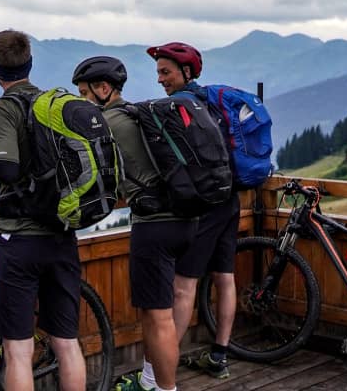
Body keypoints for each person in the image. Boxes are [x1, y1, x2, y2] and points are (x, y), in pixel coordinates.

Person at [0, 29, 86, 391]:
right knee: (66, 343)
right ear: (30, 64)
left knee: (18, 349)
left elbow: (9, 170)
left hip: (20, 239)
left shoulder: (4, 109)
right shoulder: (52, 104)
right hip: (61, 233)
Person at [73, 56, 196, 391]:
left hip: (154, 225)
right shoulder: (138, 112)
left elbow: (92, 180)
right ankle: (153, 383)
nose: (82, 102)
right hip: (186, 218)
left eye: (84, 93)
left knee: (158, 318)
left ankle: (166, 389)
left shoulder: (107, 124)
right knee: (163, 316)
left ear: (103, 89)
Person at [147, 42, 239, 380]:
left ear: (186, 72)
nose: (160, 79)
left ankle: (162, 371)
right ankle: (220, 355)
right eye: (158, 72)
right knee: (224, 278)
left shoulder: (180, 109)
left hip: (205, 207)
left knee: (183, 287)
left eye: (166, 72)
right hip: (230, 199)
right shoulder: (213, 103)